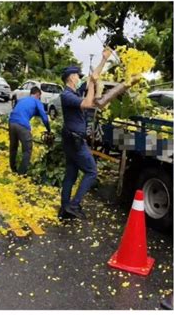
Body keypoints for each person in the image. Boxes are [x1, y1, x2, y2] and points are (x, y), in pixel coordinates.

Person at [59, 49, 112, 220]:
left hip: (71, 139)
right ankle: (73, 205)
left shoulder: (74, 92)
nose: (79, 77)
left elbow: (92, 78)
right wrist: (92, 89)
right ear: (71, 78)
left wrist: (103, 59)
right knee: (91, 172)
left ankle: (64, 208)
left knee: (71, 174)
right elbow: (88, 104)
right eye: (77, 75)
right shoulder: (66, 95)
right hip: (74, 140)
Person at [9, 86, 51, 174]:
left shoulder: (22, 100)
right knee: (27, 150)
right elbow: (44, 117)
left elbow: (25, 110)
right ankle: (21, 174)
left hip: (11, 122)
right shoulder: (37, 101)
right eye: (39, 96)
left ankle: (13, 169)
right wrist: (48, 129)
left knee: (13, 147)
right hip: (22, 125)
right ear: (38, 94)